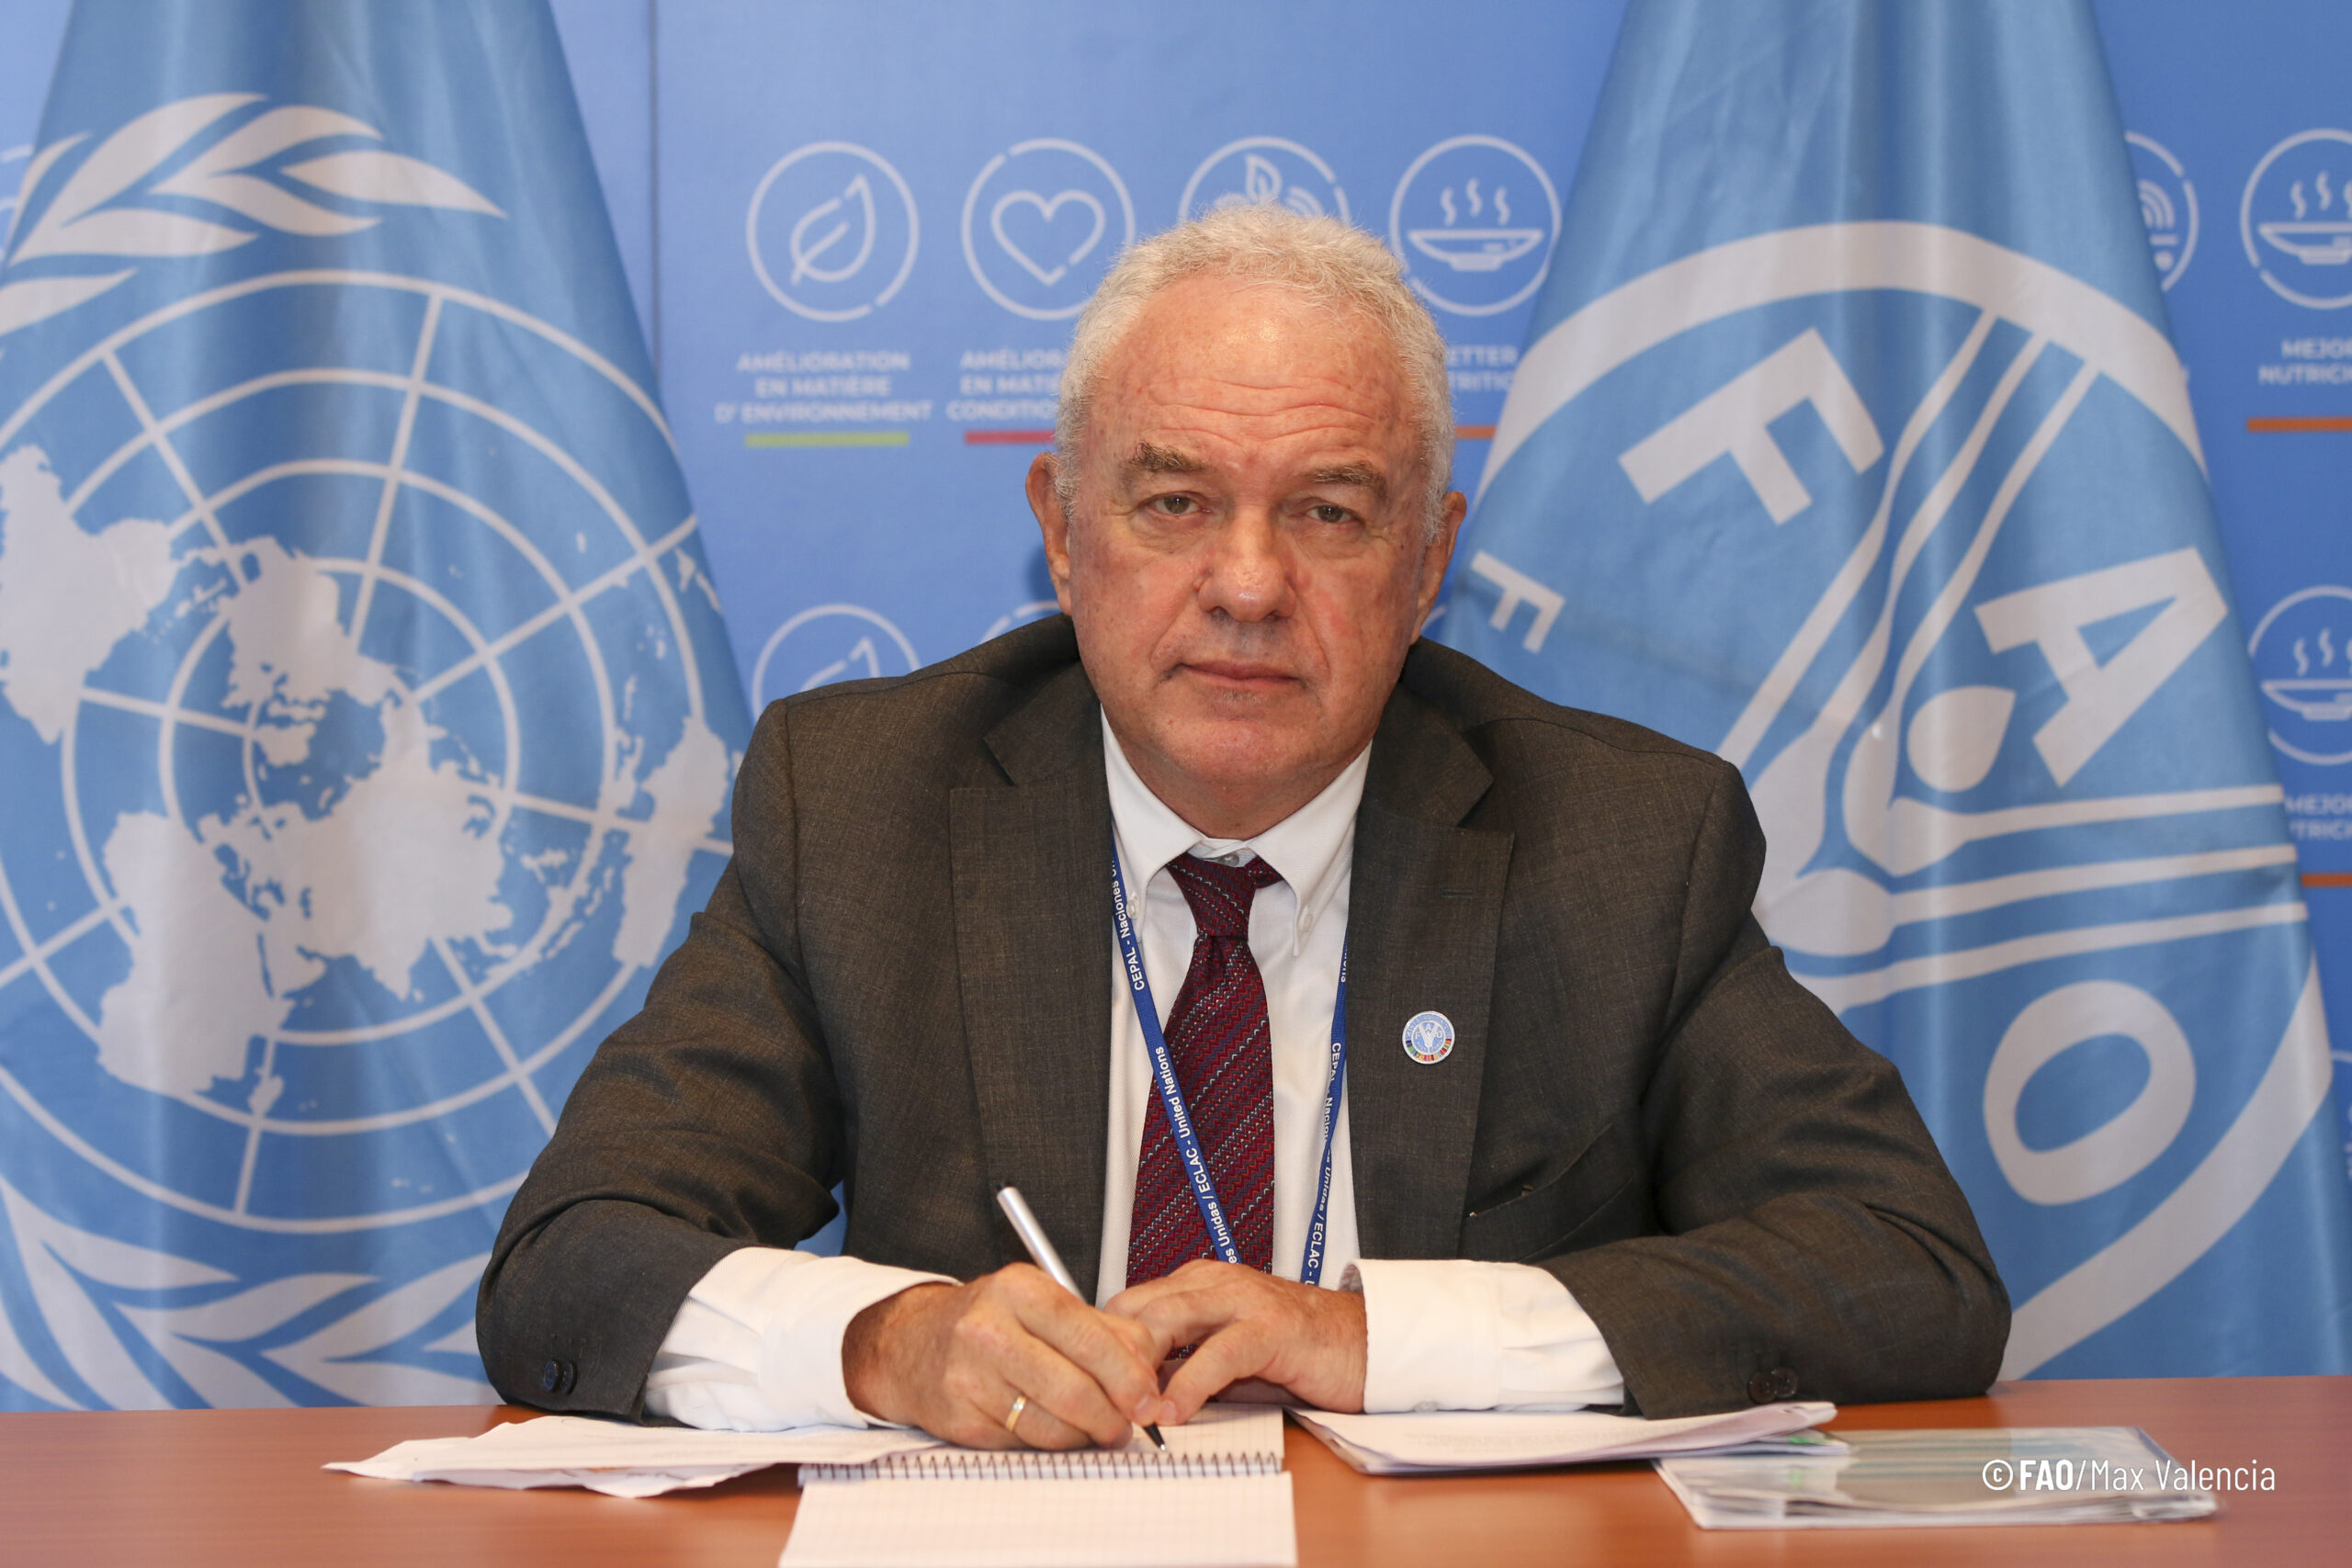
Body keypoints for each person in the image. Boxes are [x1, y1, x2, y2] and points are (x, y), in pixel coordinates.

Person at [478, 206, 2007, 1449]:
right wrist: (886, 1341)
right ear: (1061, 533)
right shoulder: (866, 806)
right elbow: (573, 1261)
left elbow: (1908, 1269)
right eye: (1175, 504)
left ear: (1429, 562)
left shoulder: (1621, 844)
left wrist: (1380, 1339)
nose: (1252, 586)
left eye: (1332, 512)